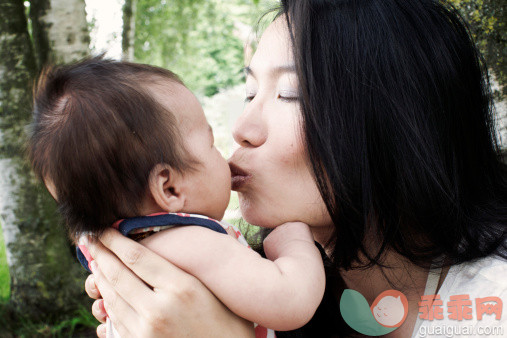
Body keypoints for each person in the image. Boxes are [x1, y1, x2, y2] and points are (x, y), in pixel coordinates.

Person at [84, 0, 507, 337]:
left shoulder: (492, 306)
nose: (242, 129)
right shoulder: (251, 285)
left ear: (394, 120)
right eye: (250, 93)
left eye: (290, 94)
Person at [27, 58, 326, 335]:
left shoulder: (126, 252)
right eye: (211, 144)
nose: (231, 142)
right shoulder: (192, 243)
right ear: (169, 188)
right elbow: (290, 300)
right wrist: (293, 240)